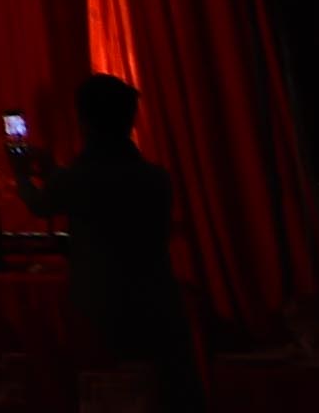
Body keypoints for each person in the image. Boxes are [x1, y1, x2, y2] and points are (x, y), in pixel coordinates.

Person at [40, 74, 201, 410]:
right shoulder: (156, 178)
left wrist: (23, 174)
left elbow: (42, 203)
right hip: (158, 302)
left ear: (84, 121)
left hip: (100, 308)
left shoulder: (80, 177)